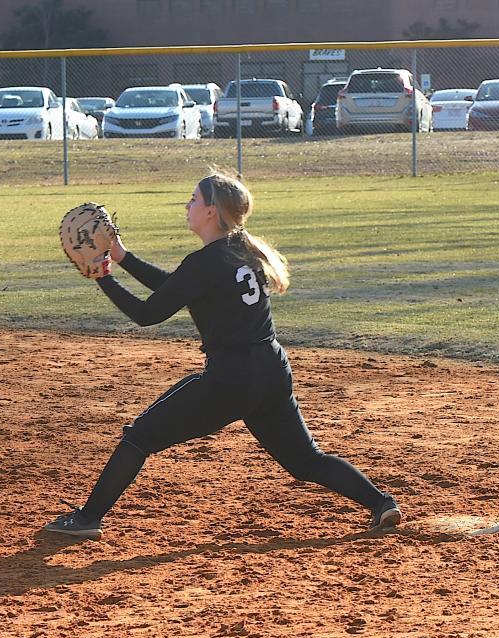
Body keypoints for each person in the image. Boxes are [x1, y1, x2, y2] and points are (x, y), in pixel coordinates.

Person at [45, 171, 401, 540]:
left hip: (231, 378)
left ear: (212, 211)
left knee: (140, 436)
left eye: (194, 200)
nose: (188, 205)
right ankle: (381, 503)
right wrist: (121, 257)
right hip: (271, 369)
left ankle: (88, 518)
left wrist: (102, 276)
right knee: (306, 460)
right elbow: (178, 287)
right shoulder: (240, 250)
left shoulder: (206, 262)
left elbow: (148, 314)